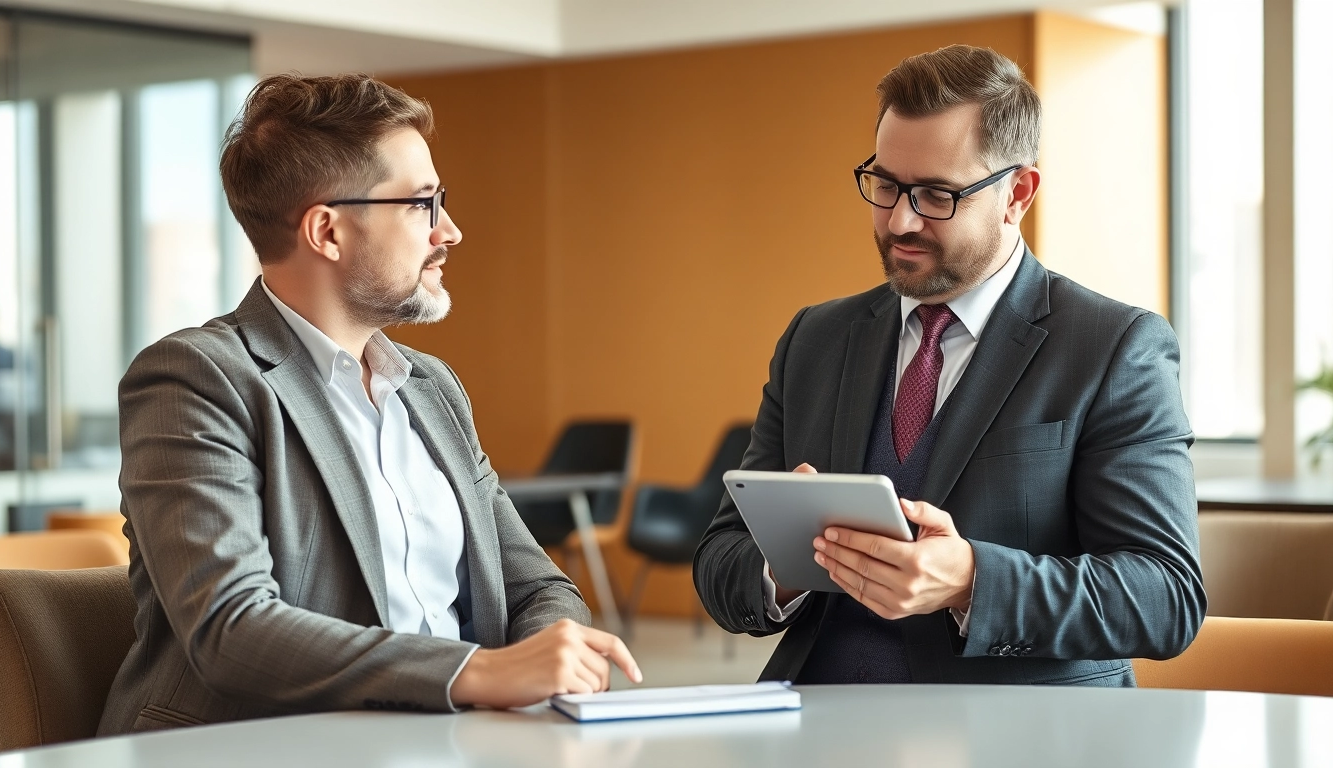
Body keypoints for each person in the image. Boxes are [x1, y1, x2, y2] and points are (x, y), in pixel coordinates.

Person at [99, 73, 640, 735]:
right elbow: (230, 628)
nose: (451, 232)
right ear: (327, 231)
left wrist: (549, 654)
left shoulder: (431, 387)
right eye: (422, 205)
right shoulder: (195, 379)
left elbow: (537, 584)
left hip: (451, 742)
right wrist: (477, 672)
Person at [693, 45, 1205, 687]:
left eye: (937, 194)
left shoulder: (1113, 347)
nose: (900, 220)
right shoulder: (814, 340)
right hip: (814, 724)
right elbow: (717, 559)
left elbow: (1165, 598)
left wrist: (970, 581)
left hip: (1016, 737)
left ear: (1018, 192)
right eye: (885, 185)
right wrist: (787, 566)